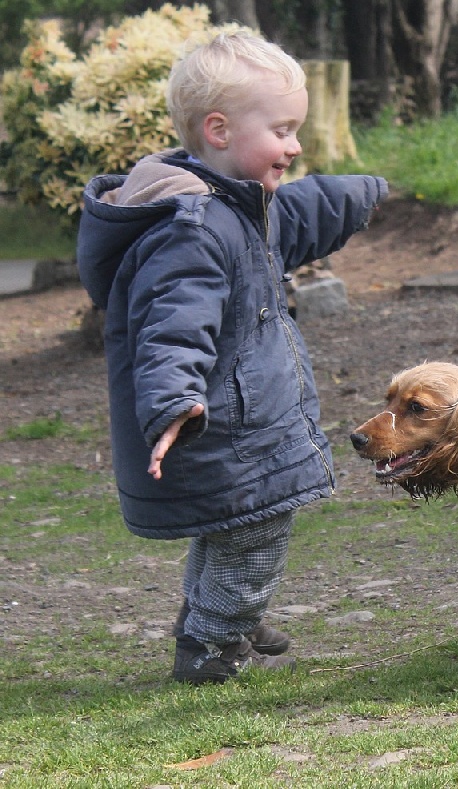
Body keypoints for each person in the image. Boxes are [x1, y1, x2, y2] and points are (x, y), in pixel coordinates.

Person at [77, 29, 388, 684]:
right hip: (221, 429)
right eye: (281, 129)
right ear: (219, 129)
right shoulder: (193, 226)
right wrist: (172, 399)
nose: (295, 145)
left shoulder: (232, 209)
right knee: (253, 533)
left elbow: (294, 218)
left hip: (236, 429)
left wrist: (360, 193)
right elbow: (171, 323)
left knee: (229, 528)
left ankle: (218, 617)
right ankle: (215, 642)